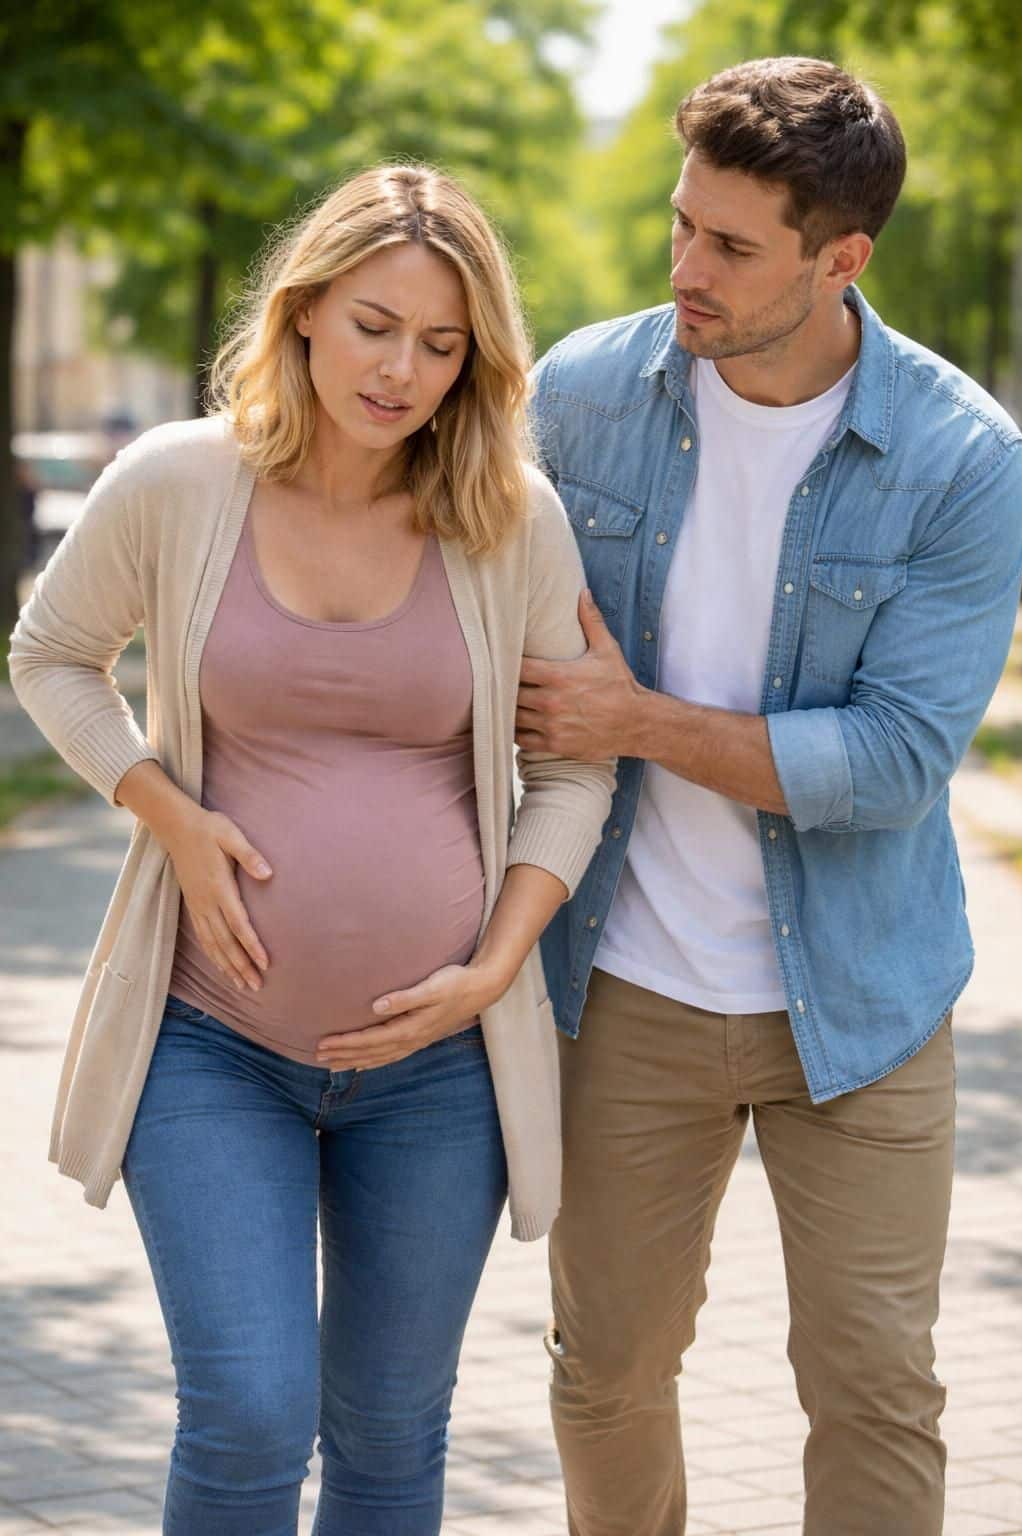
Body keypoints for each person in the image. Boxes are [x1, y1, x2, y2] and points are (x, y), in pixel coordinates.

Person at [8, 163, 615, 1536]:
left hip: (439, 1067)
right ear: (303, 312)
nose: (402, 371)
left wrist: (494, 965)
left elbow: (577, 764)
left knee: (394, 1436)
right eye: (374, 326)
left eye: (442, 345)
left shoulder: (509, 516)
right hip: (211, 1042)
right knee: (248, 1413)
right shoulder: (179, 479)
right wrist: (167, 810)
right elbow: (50, 656)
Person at [517, 56, 1022, 1536]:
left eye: (731, 246)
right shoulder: (580, 396)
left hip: (861, 999)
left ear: (841, 259)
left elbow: (893, 763)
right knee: (605, 1369)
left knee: (874, 1387)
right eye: (683, 223)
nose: (687, 266)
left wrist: (637, 722)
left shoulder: (964, 460)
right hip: (625, 980)